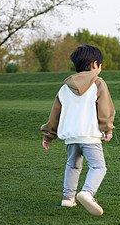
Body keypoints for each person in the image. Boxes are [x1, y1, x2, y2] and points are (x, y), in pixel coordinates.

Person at [41, 45, 115, 215]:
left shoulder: (65, 88)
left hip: (71, 137)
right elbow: (104, 109)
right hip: (89, 135)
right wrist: (108, 129)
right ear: (95, 64)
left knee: (73, 165)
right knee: (98, 167)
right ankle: (88, 193)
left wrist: (48, 135)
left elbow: (55, 114)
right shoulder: (98, 83)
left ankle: (68, 198)